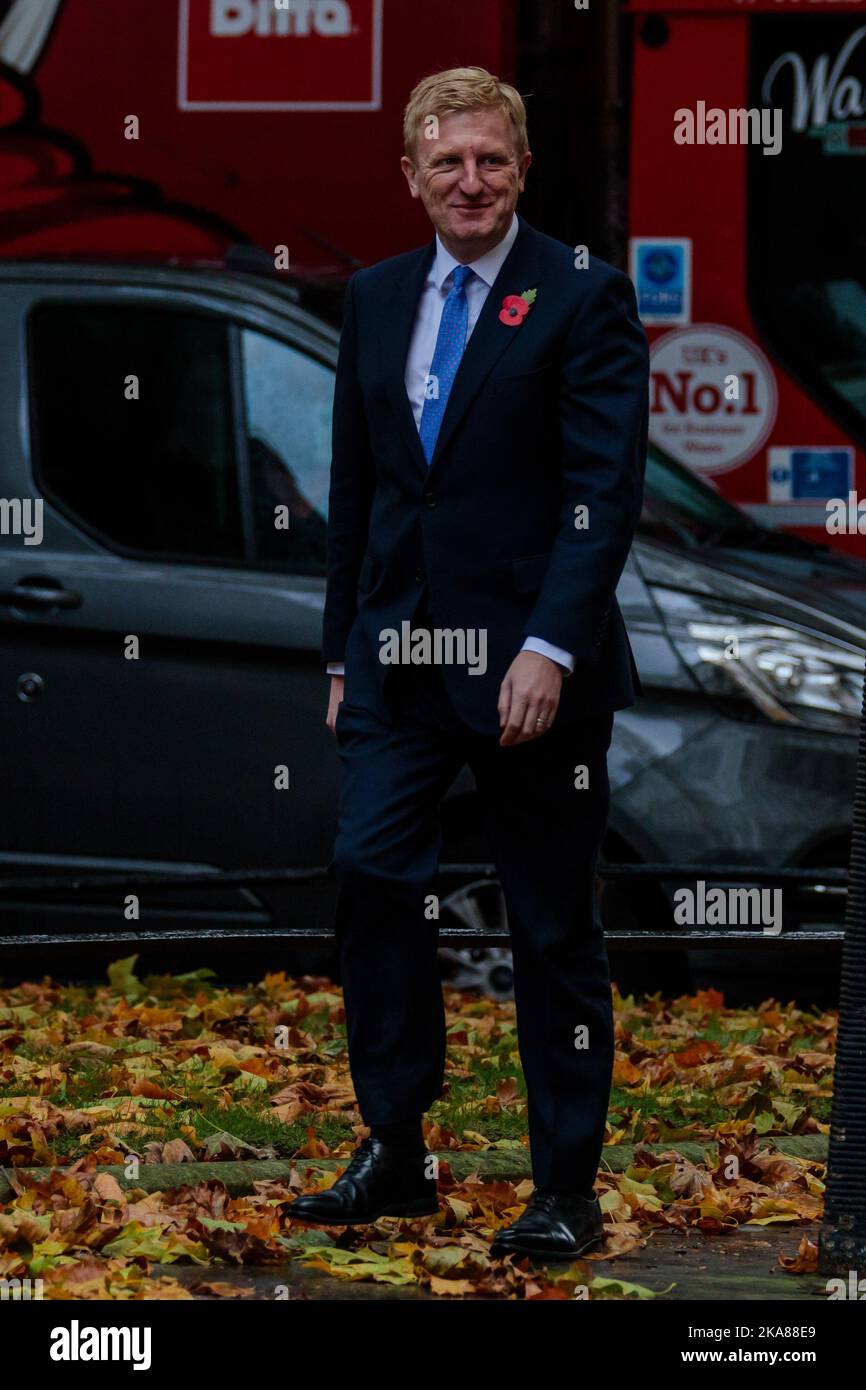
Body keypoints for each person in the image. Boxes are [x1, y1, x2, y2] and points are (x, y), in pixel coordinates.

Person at [289, 66, 649, 1261]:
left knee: (549, 932)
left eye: (491, 160)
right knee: (370, 875)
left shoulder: (580, 296)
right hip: (396, 662)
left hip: (532, 675)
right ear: (410, 175)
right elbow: (359, 491)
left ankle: (564, 1187)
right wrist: (343, 647)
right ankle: (397, 1150)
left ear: (523, 168)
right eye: (446, 162)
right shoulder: (378, 299)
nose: (470, 181)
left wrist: (549, 645)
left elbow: (600, 494)